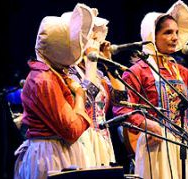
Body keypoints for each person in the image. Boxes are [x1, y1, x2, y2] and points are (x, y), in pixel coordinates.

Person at [113, 1, 188, 178]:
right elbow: (122, 108)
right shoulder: (137, 71)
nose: (175, 37)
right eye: (168, 32)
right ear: (152, 36)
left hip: (185, 146)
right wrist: (148, 124)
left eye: (176, 32)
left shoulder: (182, 72)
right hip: (155, 146)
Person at [13, 3, 113, 178]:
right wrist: (80, 95)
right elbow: (72, 129)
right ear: (60, 45)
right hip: (51, 155)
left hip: (61, 150)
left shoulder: (55, 73)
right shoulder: (44, 79)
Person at [62, 8, 127, 166]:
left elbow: (121, 99)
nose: (93, 39)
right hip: (81, 140)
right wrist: (92, 60)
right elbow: (87, 99)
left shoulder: (96, 72)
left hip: (101, 138)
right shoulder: (66, 70)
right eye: (88, 33)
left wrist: (109, 64)